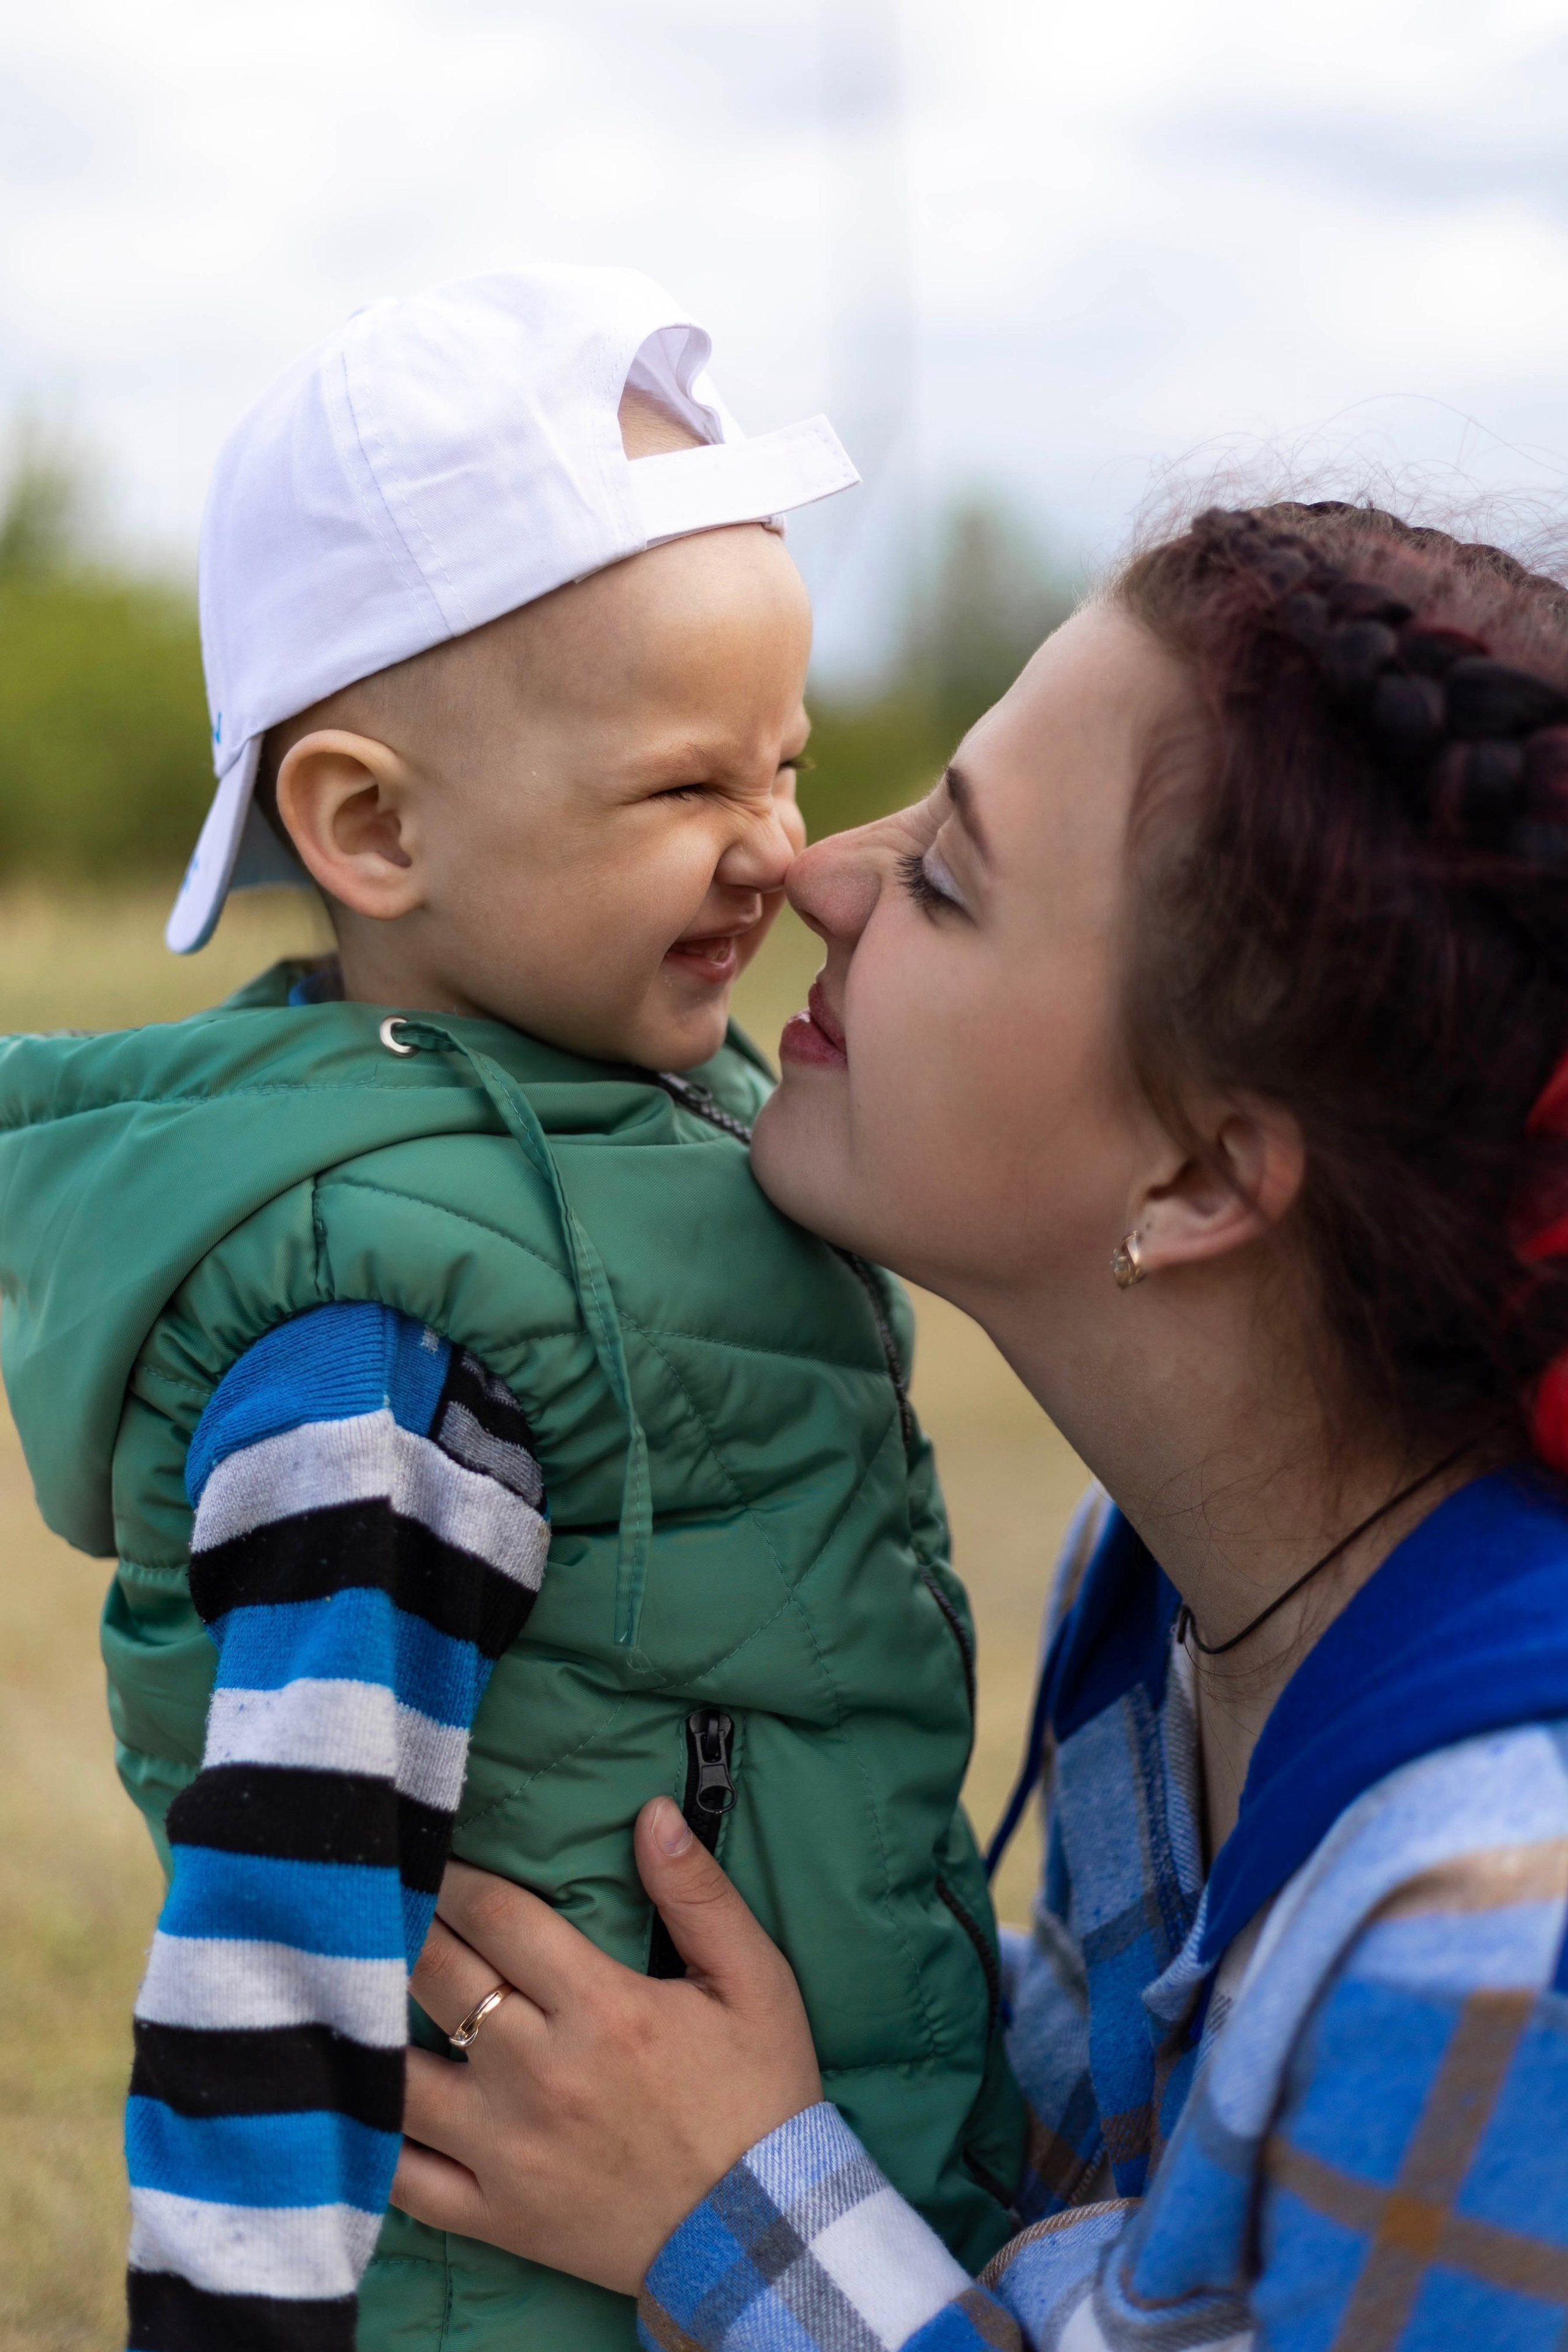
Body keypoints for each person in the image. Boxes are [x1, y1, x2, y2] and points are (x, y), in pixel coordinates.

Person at [383, 501, 1568, 2351]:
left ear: (1198, 1178)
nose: (816, 871)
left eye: (947, 878)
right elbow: (1153, 2201)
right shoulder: (1169, 1584)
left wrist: (739, 2212)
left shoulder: (1506, 1933)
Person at [0, 270, 1029, 2352]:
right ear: (373, 826)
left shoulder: (640, 1145)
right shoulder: (385, 1329)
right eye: (684, 790)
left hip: (757, 2232)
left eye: (784, 765)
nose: (778, 852)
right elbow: (281, 1922)